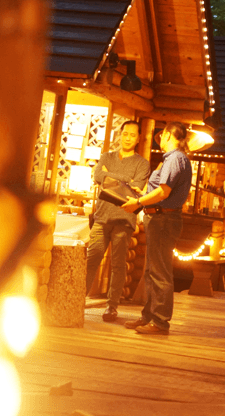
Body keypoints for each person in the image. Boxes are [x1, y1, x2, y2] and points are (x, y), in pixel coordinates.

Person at [121, 122, 192, 335]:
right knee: (153, 270)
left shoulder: (175, 158)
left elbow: (163, 192)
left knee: (159, 271)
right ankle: (149, 316)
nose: (159, 140)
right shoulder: (175, 159)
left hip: (163, 220)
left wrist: (140, 201)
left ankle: (160, 321)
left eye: (162, 136)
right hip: (161, 219)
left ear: (169, 135)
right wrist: (142, 194)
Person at [85, 120, 150, 323]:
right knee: (91, 259)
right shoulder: (106, 156)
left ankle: (111, 307)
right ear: (120, 135)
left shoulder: (142, 164)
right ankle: (78, 299)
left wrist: (110, 176)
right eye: (125, 134)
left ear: (138, 138)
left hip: (124, 218)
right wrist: (123, 180)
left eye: (132, 135)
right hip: (101, 217)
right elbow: (98, 177)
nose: (128, 138)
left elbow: (135, 186)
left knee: (118, 265)